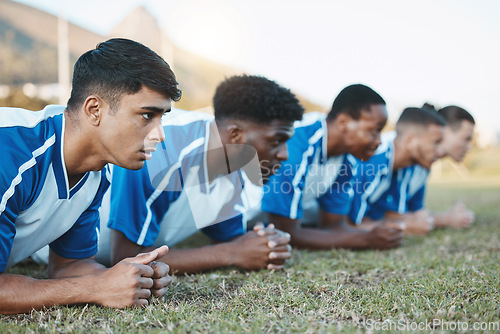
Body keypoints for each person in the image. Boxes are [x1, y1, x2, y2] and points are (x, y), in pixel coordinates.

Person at [0, 38, 181, 314]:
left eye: (162, 118)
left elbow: (68, 265)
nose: (160, 135)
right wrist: (96, 288)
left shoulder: (96, 172)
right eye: (147, 115)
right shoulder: (11, 153)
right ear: (94, 110)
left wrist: (130, 275)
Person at [97, 75, 304, 274]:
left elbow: (232, 241)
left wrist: (265, 244)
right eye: (276, 140)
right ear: (235, 134)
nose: (285, 154)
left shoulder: (234, 170)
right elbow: (127, 259)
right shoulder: (161, 150)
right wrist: (232, 253)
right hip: (76, 262)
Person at [248, 84, 403, 250]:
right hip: (231, 224)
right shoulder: (297, 145)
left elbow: (334, 226)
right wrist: (366, 240)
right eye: (374, 131)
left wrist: (374, 234)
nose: (380, 142)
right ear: (344, 122)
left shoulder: (347, 161)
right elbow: (285, 233)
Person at [348, 106, 449, 234]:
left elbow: (394, 215)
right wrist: (405, 226)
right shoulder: (372, 163)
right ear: (410, 140)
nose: (440, 151)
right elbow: (346, 225)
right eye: (436, 142)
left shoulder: (405, 166)